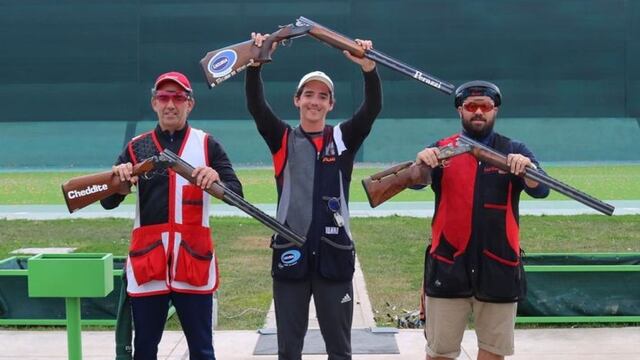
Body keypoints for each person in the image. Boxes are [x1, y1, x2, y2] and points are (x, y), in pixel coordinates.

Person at [245, 33, 382, 360]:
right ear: (297, 100)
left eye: (322, 96)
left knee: (339, 350)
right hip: (290, 255)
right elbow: (256, 106)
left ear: (331, 104)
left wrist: (368, 69)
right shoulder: (282, 139)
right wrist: (255, 65)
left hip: (334, 257)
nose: (314, 101)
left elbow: (372, 109)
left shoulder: (343, 138)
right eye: (308, 95)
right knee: (288, 350)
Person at [101, 71, 243, 360]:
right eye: (164, 97)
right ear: (154, 103)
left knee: (203, 351)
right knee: (144, 351)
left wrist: (216, 178)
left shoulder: (207, 145)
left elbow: (236, 194)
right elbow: (108, 202)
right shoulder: (136, 147)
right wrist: (121, 181)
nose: (170, 104)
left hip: (193, 262)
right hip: (148, 264)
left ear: (190, 104)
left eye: (178, 97)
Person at [414, 81, 550, 360]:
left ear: (495, 110)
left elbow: (542, 189)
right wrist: (422, 162)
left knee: (492, 354)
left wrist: (527, 168)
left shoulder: (514, 149)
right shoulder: (442, 149)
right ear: (460, 111)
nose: (478, 112)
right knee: (439, 353)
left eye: (485, 106)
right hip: (448, 267)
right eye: (471, 106)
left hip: (499, 267)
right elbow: (415, 182)